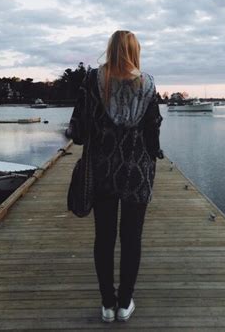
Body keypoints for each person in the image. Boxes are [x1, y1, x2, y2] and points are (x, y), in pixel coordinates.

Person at [67, 30, 163, 323]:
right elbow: (153, 134)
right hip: (137, 172)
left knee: (104, 237)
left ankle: (107, 304)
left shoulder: (93, 80)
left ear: (110, 50)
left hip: (103, 169)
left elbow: (79, 133)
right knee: (132, 238)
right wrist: (153, 153)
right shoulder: (148, 84)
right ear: (135, 51)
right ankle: (125, 304)